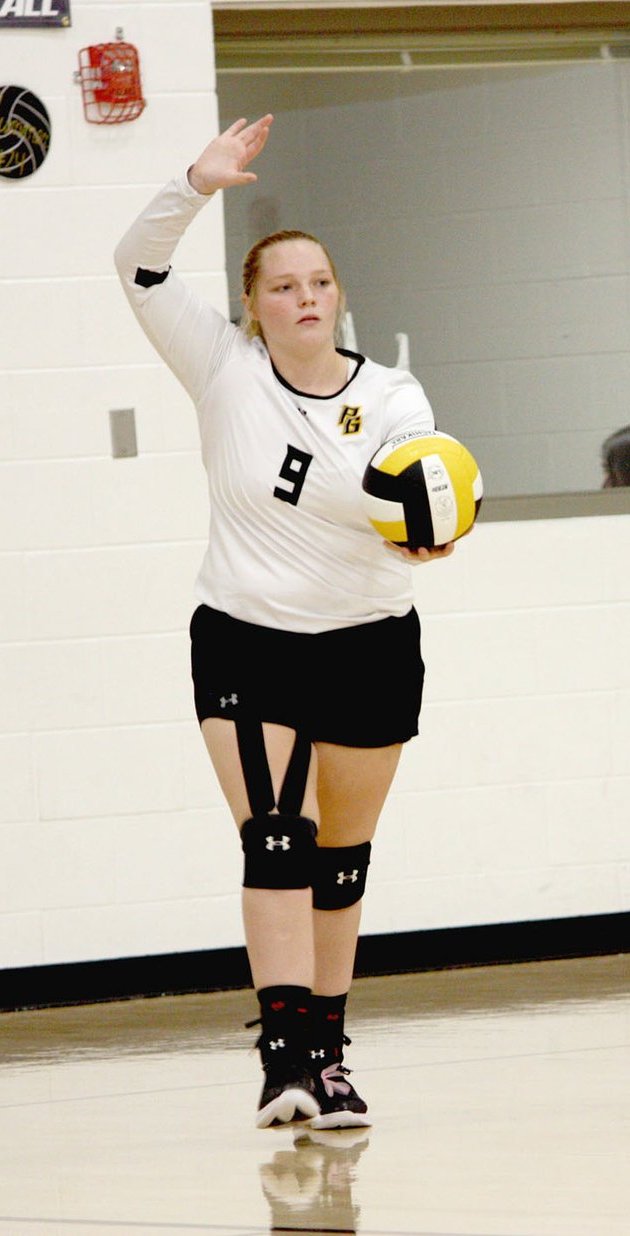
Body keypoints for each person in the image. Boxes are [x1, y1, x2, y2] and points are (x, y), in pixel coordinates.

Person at [114, 115, 454, 1130]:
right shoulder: (219, 366)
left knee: (338, 861)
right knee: (275, 841)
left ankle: (331, 1058)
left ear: (336, 295)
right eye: (279, 286)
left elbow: (424, 494)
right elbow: (134, 262)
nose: (302, 298)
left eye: (316, 282)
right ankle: (283, 1064)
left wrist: (426, 536)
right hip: (247, 639)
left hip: (368, 642)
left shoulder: (393, 395)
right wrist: (194, 183)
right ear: (252, 308)